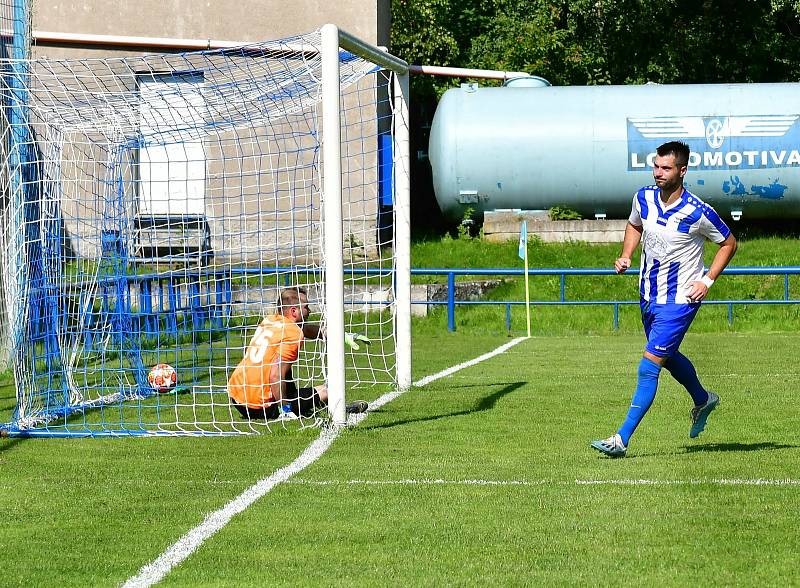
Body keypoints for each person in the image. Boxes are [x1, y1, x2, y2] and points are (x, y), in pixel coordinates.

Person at [591, 140, 737, 457]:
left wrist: (707, 280)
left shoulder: (698, 212)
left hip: (681, 299)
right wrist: (626, 254)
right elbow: (634, 224)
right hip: (648, 294)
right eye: (656, 166)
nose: (658, 172)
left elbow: (728, 242)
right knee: (667, 357)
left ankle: (621, 439)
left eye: (666, 168)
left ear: (682, 171)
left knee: (650, 364)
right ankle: (703, 399)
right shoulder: (642, 198)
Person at [228, 287, 369, 421]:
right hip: (257, 405)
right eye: (306, 307)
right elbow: (276, 375)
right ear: (294, 311)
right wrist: (285, 410)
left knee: (286, 372)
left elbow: (306, 329)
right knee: (328, 391)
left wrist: (341, 335)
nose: (310, 310)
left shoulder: (270, 320)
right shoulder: (292, 334)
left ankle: (303, 405)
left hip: (236, 397)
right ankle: (336, 409)